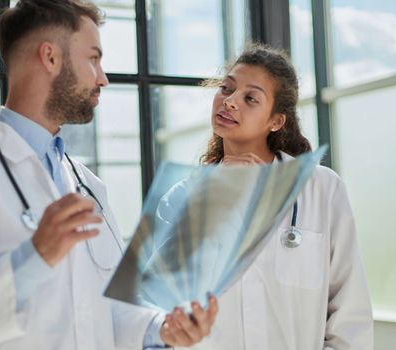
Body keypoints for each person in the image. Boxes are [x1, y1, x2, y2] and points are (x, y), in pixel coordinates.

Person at [0, 1, 217, 349]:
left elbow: (108, 307)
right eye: (94, 58)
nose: (103, 78)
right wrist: (34, 258)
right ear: (50, 57)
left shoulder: (86, 183)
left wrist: (161, 328)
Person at [159, 44, 373, 349]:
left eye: (250, 98)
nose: (229, 102)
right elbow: (160, 309)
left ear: (276, 121)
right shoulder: (181, 197)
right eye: (226, 88)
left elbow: (350, 316)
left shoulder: (321, 188)